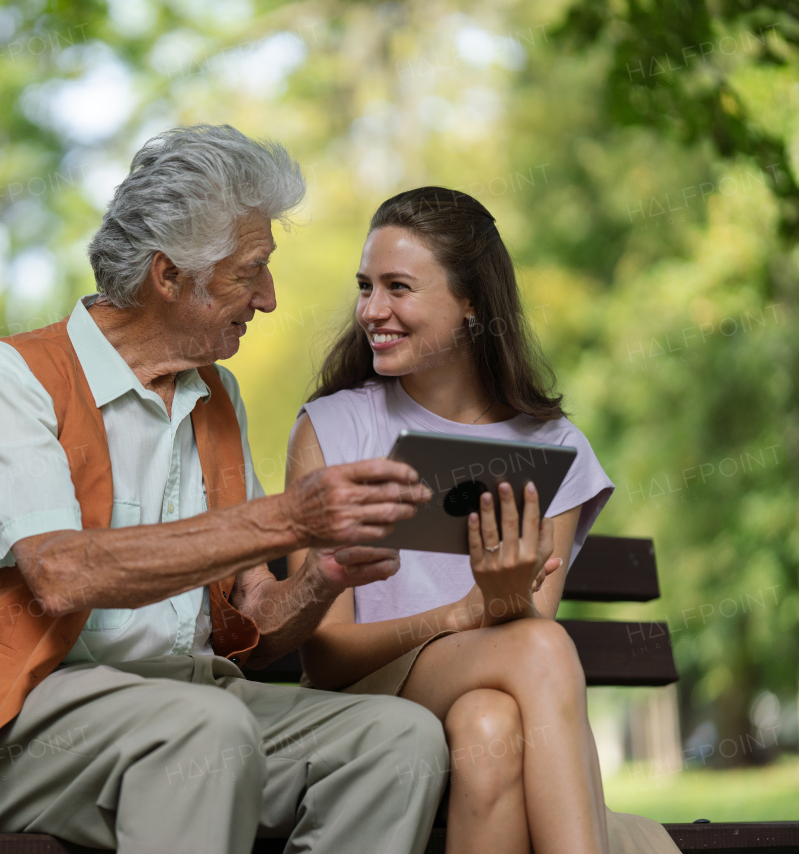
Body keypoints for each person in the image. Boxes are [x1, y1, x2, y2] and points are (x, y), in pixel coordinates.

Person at [0, 126, 449, 854]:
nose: (268, 298)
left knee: (399, 738)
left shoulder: (215, 395)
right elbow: (61, 572)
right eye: (249, 272)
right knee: (201, 728)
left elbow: (254, 617)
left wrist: (319, 578)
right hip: (22, 727)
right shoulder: (14, 379)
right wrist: (286, 517)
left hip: (196, 704)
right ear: (168, 276)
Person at [287, 187, 680, 854]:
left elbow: (526, 631)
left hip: (485, 702)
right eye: (366, 287)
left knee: (490, 727)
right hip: (362, 703)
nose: (372, 311)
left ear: (471, 303)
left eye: (398, 288)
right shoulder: (334, 426)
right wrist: (464, 614)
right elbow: (325, 656)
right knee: (545, 646)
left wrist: (498, 605)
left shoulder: (553, 446)